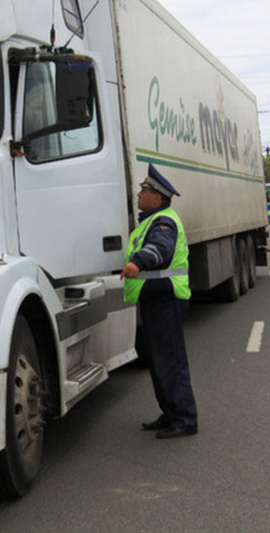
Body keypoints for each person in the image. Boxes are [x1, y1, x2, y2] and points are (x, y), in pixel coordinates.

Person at [121, 164, 198, 439]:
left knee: (171, 360)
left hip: (167, 298)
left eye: (144, 189)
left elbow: (160, 250)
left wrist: (137, 262)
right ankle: (170, 412)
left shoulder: (163, 222)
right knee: (158, 360)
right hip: (156, 298)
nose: (139, 194)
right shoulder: (151, 220)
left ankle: (185, 419)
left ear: (158, 196)